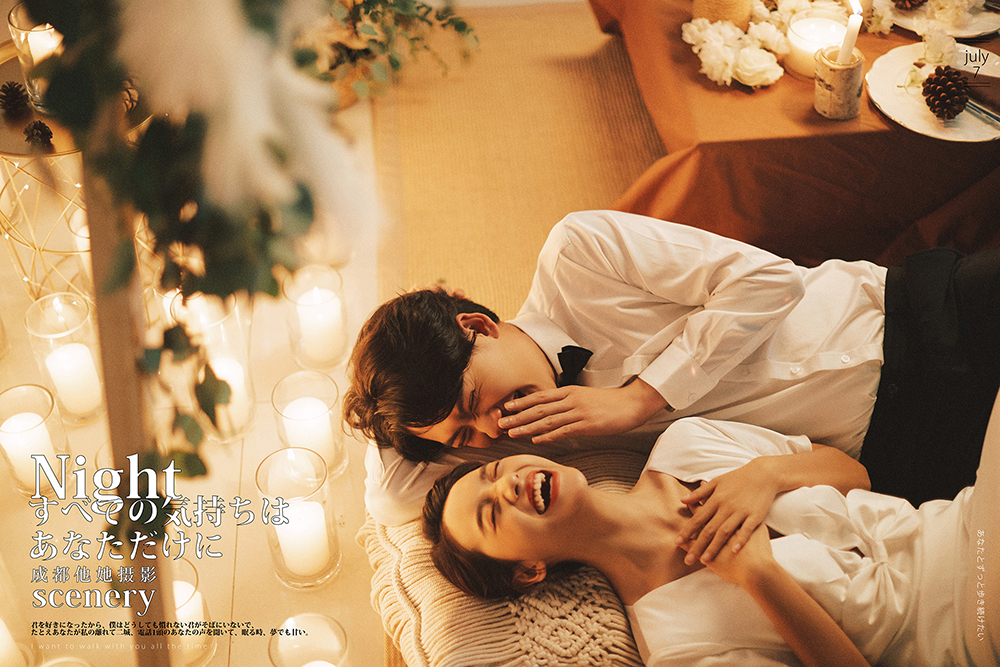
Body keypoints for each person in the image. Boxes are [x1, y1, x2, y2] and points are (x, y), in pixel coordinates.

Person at [346, 209, 1000, 533]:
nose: (491, 428)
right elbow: (389, 497)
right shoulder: (529, 445)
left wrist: (640, 398)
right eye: (466, 435)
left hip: (916, 313)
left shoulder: (577, 254)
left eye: (471, 401)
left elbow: (771, 281)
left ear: (478, 326)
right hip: (900, 449)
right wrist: (384, 407)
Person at [421, 398, 1000, 667]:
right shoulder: (676, 644)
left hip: (965, 518)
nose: (507, 486)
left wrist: (765, 475)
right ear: (529, 571)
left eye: (494, 473)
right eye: (491, 514)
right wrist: (760, 576)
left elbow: (857, 475)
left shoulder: (686, 443)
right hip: (965, 632)